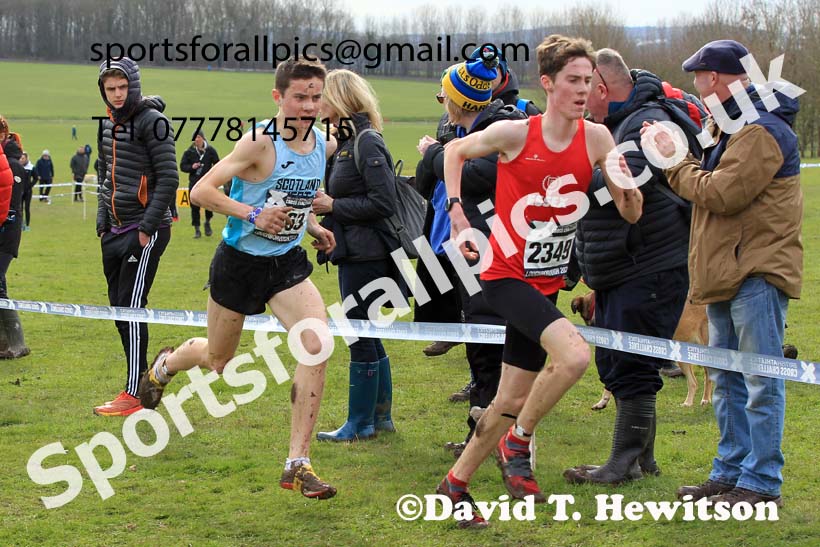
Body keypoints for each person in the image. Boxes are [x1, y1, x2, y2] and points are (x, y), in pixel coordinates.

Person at [435, 35, 643, 528]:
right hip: (504, 276)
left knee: (508, 399)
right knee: (574, 356)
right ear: (547, 83)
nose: (583, 90)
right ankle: (518, 441)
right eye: (573, 80)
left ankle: (455, 485)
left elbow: (631, 210)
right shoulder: (515, 133)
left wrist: (629, 189)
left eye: (588, 81)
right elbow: (454, 151)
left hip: (546, 282)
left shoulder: (598, 138)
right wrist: (457, 212)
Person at [138, 58, 339, 499]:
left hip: (285, 264)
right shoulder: (259, 142)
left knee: (316, 343)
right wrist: (253, 214)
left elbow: (297, 196)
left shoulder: (324, 144)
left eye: (315, 97)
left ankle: (298, 463)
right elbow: (201, 191)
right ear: (278, 97)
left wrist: (312, 227)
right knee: (218, 360)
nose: (309, 106)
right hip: (239, 263)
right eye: (299, 97)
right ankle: (166, 365)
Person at [641, 39, 802, 508]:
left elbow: (721, 194)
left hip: (755, 273)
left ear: (713, 78)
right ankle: (729, 473)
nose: (696, 86)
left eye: (699, 77)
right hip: (726, 272)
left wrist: (673, 158)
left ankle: (761, 482)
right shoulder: (730, 128)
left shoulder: (761, 131)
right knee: (727, 380)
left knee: (759, 381)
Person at [562, 49, 707, 485]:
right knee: (620, 359)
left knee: (633, 364)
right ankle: (643, 460)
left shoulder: (649, 123)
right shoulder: (619, 123)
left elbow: (624, 184)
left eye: (585, 88)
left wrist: (571, 171)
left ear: (602, 87)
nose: (581, 99)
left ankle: (622, 463)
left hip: (648, 265)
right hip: (623, 265)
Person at [416, 57, 526, 456]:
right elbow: (426, 180)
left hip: (491, 250)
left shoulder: (502, 127)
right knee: (479, 348)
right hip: (458, 249)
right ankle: (480, 435)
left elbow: (480, 176)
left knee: (489, 347)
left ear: (458, 101)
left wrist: (437, 153)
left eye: (444, 96)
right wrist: (440, 155)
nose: (441, 103)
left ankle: (490, 439)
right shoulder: (459, 131)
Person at [311, 69, 398, 442]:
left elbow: (383, 203)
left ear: (340, 100)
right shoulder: (347, 143)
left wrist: (333, 205)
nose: (318, 105)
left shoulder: (366, 142)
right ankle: (379, 417)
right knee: (367, 333)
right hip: (354, 251)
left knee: (358, 334)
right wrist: (329, 228)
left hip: (369, 256)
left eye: (322, 98)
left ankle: (360, 423)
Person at [94, 57, 178, 416]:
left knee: (131, 307)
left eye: (122, 87)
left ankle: (134, 394)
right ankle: (147, 383)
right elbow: (104, 172)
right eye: (110, 88)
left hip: (146, 229)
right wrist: (102, 220)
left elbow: (169, 178)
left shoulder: (153, 122)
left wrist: (146, 228)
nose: (116, 94)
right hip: (113, 230)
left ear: (134, 86)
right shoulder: (106, 126)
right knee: (119, 311)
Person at [180, 129, 219, 238]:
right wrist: (191, 167)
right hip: (194, 182)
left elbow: (218, 164)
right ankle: (197, 229)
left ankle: (207, 222)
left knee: (209, 204)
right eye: (195, 138)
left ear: (203, 138)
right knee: (194, 206)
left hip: (207, 183)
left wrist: (213, 175)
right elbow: (182, 166)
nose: (196, 140)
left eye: (198, 137)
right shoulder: (189, 152)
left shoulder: (210, 150)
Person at [19, 152, 34, 231]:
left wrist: (30, 186)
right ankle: (21, 224)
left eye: (23, 158)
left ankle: (27, 225)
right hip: (20, 191)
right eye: (21, 158)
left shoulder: (31, 167)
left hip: (28, 192)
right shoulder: (19, 167)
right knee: (20, 208)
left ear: (26, 159)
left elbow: (36, 177)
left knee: (27, 208)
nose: (21, 160)